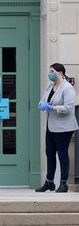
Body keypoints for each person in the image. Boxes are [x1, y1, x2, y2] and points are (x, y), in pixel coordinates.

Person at [36, 63, 78, 193]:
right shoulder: (50, 87)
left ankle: (63, 183)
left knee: (62, 153)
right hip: (51, 126)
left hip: (64, 127)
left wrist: (51, 107)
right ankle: (49, 182)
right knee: (49, 153)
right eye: (50, 71)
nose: (50, 74)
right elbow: (42, 101)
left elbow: (68, 108)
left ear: (60, 73)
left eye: (52, 71)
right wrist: (42, 105)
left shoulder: (68, 88)